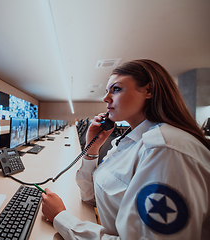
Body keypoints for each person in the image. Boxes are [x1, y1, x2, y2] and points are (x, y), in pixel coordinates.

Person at [41, 59, 210, 239]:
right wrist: (93, 149)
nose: (106, 98)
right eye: (107, 91)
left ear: (149, 90)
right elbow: (92, 197)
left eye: (116, 89)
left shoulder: (165, 150)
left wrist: (62, 218)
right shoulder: (130, 140)